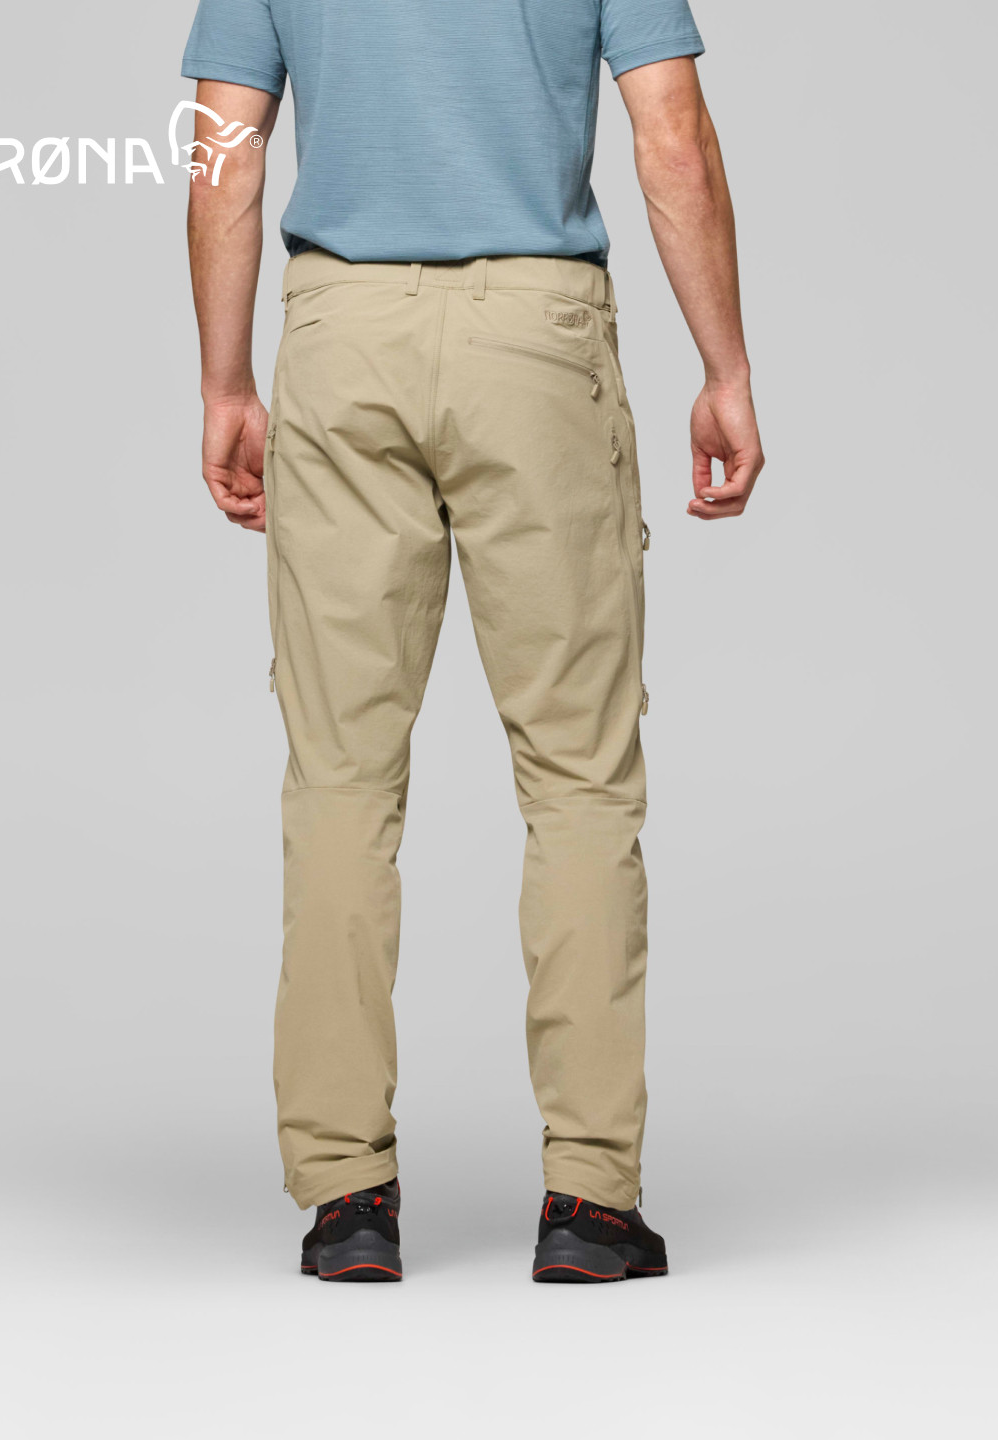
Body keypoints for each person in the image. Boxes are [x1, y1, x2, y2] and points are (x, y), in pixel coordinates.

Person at [182, 0, 764, 1283]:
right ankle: (591, 1206)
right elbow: (672, 133)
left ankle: (346, 1200)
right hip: (536, 340)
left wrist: (225, 381)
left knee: (339, 777)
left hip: (342, 335)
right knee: (579, 777)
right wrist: (724, 366)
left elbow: (226, 153)